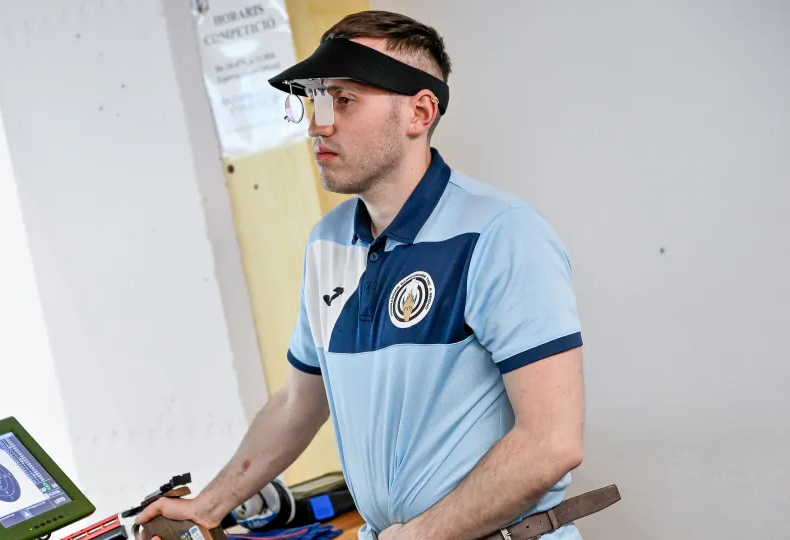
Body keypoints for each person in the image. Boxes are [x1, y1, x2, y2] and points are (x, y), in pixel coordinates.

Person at [138, 10, 595, 540]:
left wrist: (421, 535)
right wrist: (208, 505)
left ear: (419, 113)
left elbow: (551, 443)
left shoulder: (501, 234)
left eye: (344, 100)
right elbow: (299, 404)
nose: (318, 124)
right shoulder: (326, 243)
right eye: (316, 100)